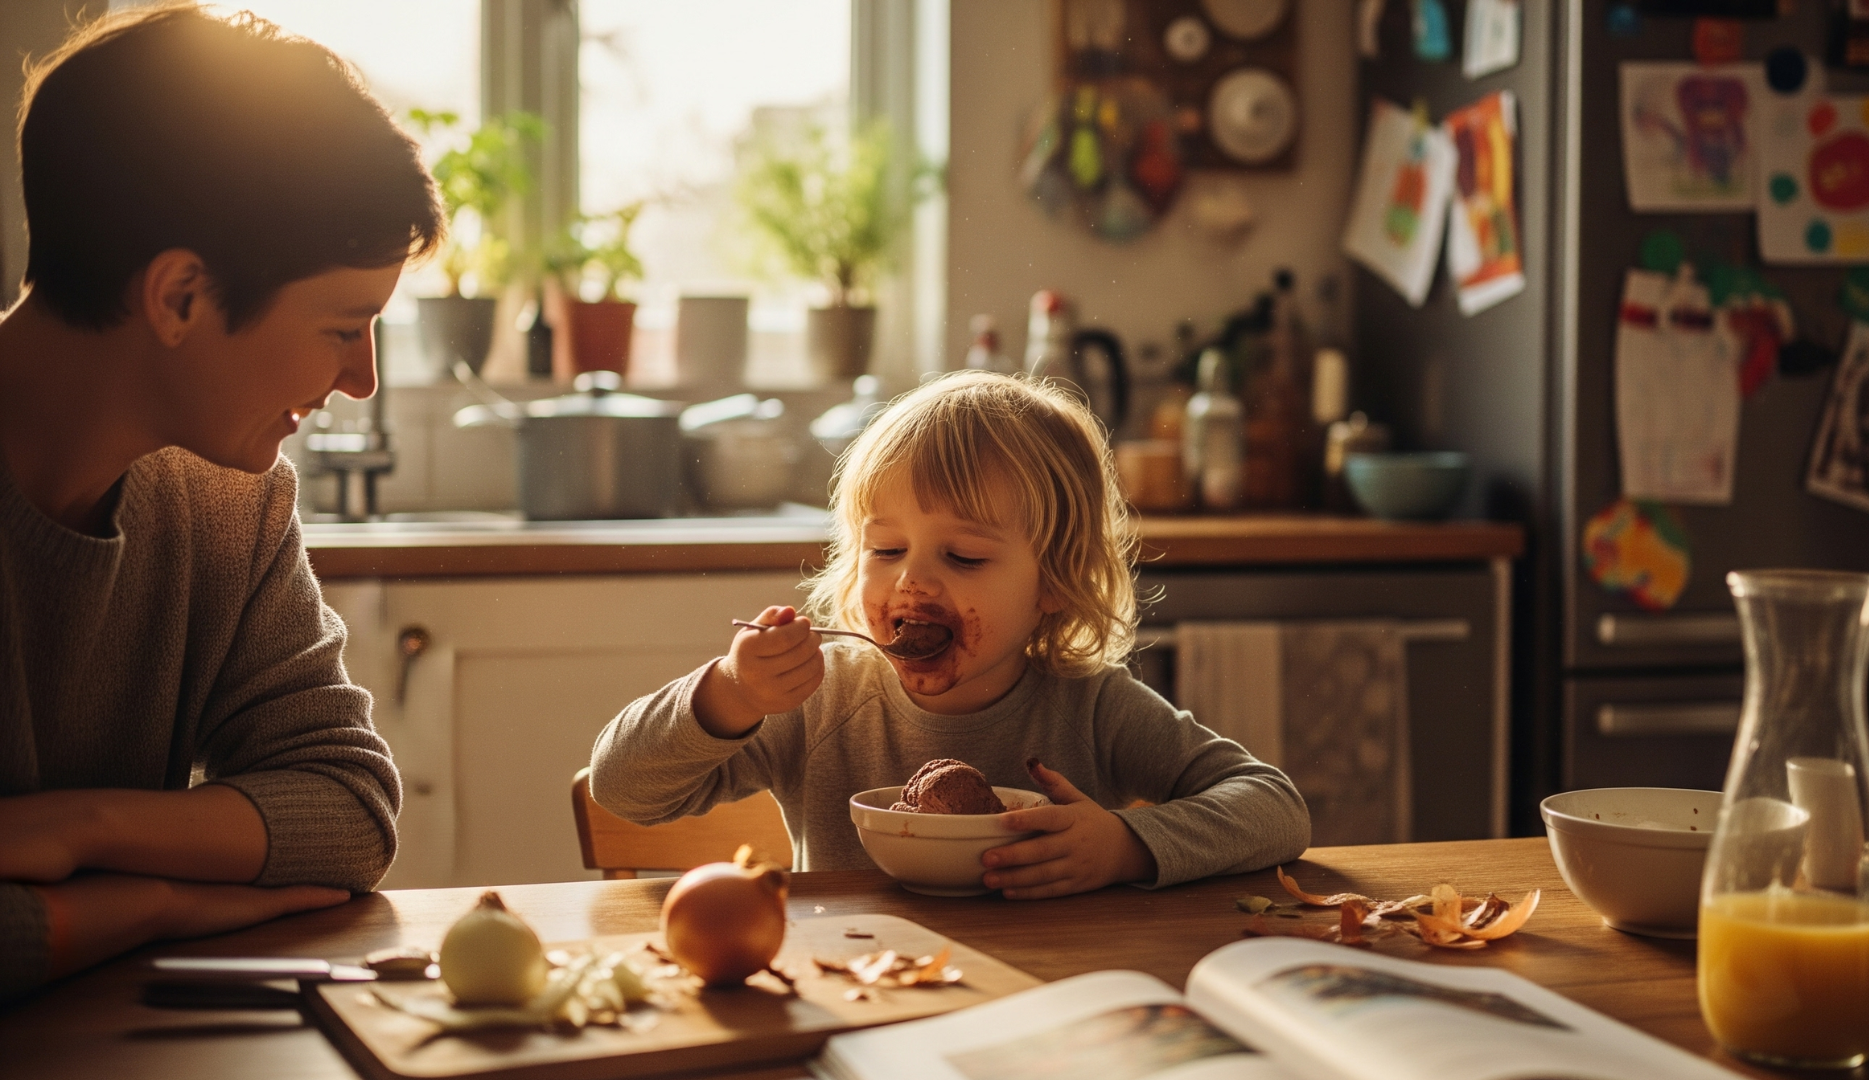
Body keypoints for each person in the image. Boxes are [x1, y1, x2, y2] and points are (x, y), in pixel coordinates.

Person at [0, 4, 442, 1001]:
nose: (361, 381)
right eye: (343, 328)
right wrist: (162, 903)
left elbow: (345, 805)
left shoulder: (227, 508)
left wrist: (78, 832)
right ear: (180, 297)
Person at [591, 372, 1309, 898]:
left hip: (1047, 1001)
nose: (911, 583)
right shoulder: (821, 701)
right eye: (886, 550)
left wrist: (1126, 847)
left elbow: (1275, 807)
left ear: (1052, 584)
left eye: (963, 556)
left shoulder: (1090, 707)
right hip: (854, 988)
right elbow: (622, 791)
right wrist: (729, 693)